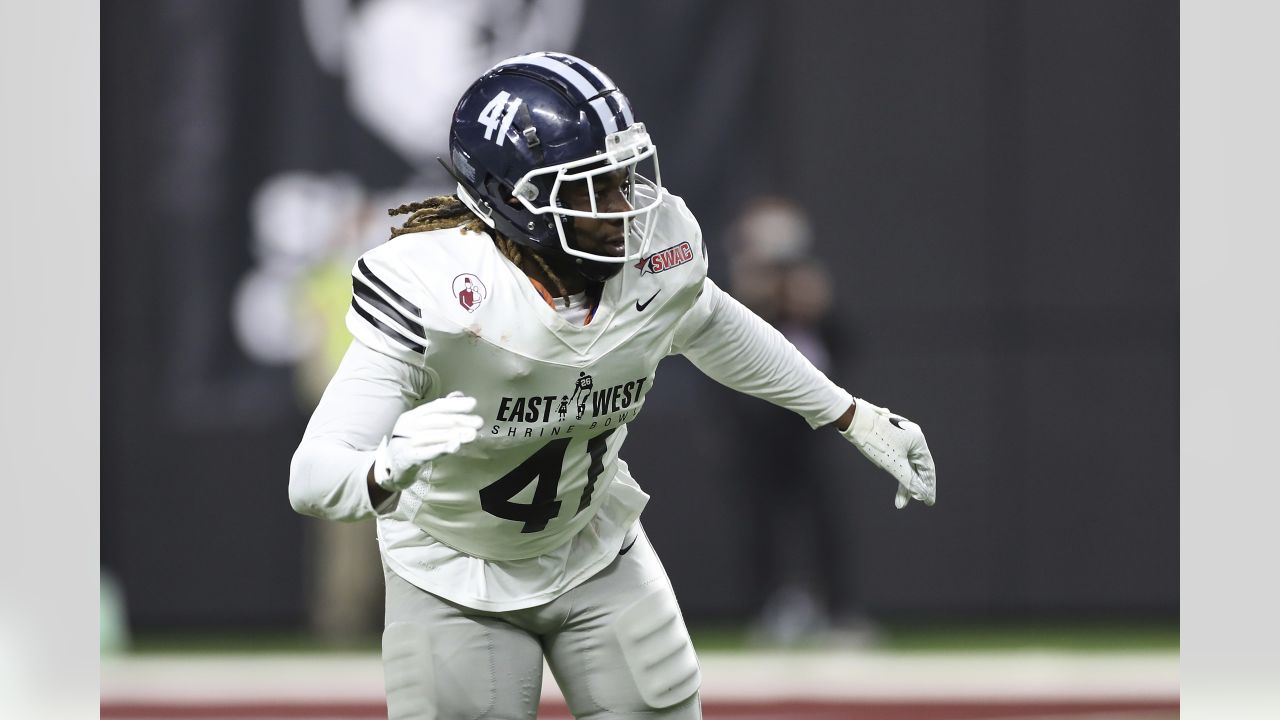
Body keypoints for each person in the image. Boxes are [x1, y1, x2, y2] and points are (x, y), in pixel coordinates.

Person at [289, 51, 936, 720]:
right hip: (454, 570)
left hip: (594, 547)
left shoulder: (656, 254)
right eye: (593, 188)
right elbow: (311, 476)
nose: (625, 206)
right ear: (518, 198)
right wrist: (382, 469)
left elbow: (711, 323)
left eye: (623, 176)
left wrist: (847, 413)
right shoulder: (440, 291)